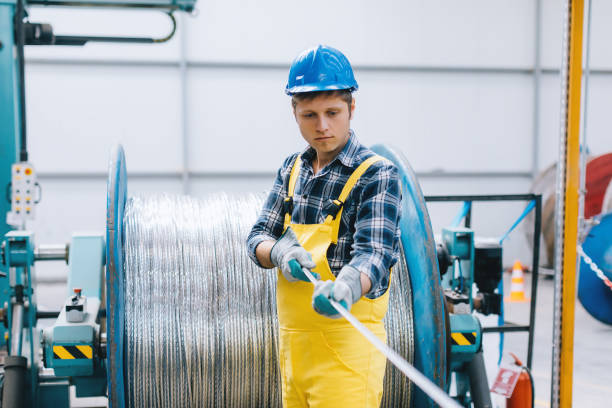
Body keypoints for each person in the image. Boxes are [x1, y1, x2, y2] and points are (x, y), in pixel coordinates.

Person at [246, 44, 402, 408]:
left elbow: (375, 254)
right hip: (295, 354)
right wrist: (279, 251)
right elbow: (257, 237)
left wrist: (347, 286)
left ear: (352, 108)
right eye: (309, 115)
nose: (322, 126)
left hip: (346, 354)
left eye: (332, 112)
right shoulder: (292, 169)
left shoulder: (376, 173)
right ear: (294, 112)